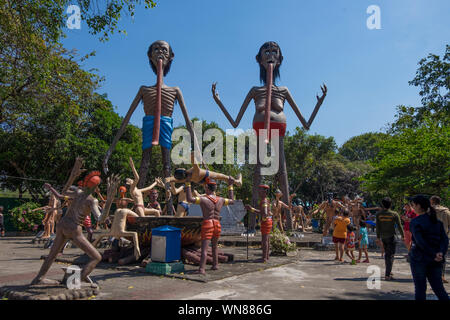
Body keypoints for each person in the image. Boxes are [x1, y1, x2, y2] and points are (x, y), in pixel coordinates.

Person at [185, 177, 235, 274]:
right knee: (215, 246)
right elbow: (232, 201)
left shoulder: (203, 199)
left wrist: (188, 184)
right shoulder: (220, 200)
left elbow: (189, 199)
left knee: (204, 248)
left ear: (207, 187)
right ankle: (215, 265)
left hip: (208, 223)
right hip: (217, 223)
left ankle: (201, 269)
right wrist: (230, 186)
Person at [409, 194, 449, 300]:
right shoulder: (437, 222)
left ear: (418, 206)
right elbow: (445, 239)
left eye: (413, 205)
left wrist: (434, 254)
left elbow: (420, 242)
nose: (413, 208)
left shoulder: (415, 222)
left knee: (420, 289)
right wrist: (440, 253)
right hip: (436, 259)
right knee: (439, 289)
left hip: (419, 259)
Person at [376, 197, 404, 281]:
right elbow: (399, 226)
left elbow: (378, 227)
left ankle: (389, 271)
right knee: (390, 255)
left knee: (387, 255)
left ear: (382, 204)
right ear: (391, 204)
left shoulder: (378, 214)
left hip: (383, 237)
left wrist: (378, 237)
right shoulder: (394, 214)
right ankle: (387, 275)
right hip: (391, 237)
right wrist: (403, 236)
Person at [430, 195, 450, 284]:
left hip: (431, 236)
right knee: (442, 256)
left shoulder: (428, 210)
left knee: (431, 255)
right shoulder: (446, 211)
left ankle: (432, 275)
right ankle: (441, 276)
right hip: (444, 237)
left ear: (433, 201)